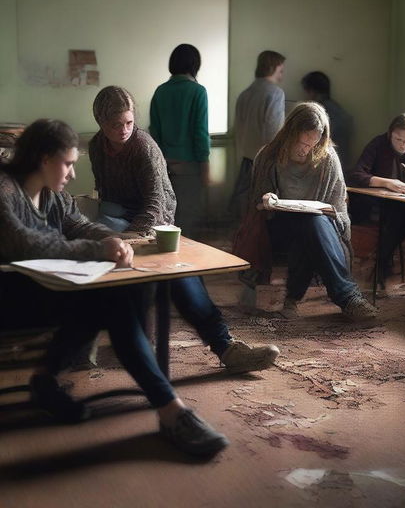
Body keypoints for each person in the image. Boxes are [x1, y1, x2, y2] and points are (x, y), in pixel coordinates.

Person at [0, 119, 226, 456]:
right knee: (112, 301)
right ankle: (169, 409)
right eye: (68, 164)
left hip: (48, 290)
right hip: (11, 299)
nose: (73, 175)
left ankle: (48, 380)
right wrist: (98, 250)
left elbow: (79, 226)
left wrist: (116, 240)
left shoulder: (52, 195)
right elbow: (25, 245)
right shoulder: (5, 188)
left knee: (115, 295)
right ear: (44, 159)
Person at [90, 86, 279, 373]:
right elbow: (104, 193)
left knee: (182, 274)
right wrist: (110, 233)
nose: (123, 130)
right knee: (112, 264)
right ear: (101, 123)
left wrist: (130, 237)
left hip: (154, 219)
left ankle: (226, 346)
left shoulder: (144, 146)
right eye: (115, 125)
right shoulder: (96, 146)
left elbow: (155, 204)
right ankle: (112, 341)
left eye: (129, 122)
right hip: (117, 216)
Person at [246, 102, 377, 321]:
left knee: (309, 226)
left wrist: (323, 213)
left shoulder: (327, 158)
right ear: (289, 133)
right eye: (301, 142)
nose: (305, 149)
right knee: (305, 228)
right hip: (279, 223)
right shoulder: (269, 155)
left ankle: (292, 300)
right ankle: (349, 298)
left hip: (319, 226)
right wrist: (266, 198)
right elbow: (256, 204)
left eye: (312, 144)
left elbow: (338, 209)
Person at [349, 112, 405, 286]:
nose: (403, 145)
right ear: (390, 134)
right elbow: (356, 174)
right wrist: (387, 183)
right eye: (398, 139)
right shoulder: (378, 144)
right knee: (396, 219)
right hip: (376, 203)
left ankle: (384, 266)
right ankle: (384, 266)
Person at [149, 44, 209, 238]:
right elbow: (200, 133)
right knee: (187, 222)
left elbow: (154, 133)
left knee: (166, 220)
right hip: (189, 169)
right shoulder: (198, 91)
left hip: (163, 167)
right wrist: (205, 168)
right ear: (195, 65)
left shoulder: (160, 92)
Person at [230, 50, 286, 218]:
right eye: (281, 70)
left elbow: (238, 129)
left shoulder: (244, 94)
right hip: (267, 160)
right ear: (274, 68)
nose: (282, 76)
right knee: (264, 212)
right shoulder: (275, 93)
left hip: (247, 159)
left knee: (244, 211)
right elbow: (274, 131)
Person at [301, 71, 353, 168]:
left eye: (306, 92)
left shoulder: (319, 113)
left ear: (312, 91)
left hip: (325, 167)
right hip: (341, 166)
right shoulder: (339, 111)